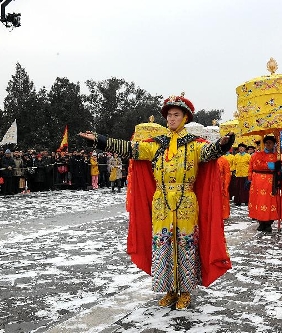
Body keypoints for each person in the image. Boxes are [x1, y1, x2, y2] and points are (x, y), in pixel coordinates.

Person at [78, 93, 233, 310]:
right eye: (169, 115)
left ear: (185, 118)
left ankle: (186, 290)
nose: (171, 119)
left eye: (176, 115)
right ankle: (170, 289)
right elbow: (130, 148)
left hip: (186, 200)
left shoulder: (196, 145)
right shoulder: (156, 145)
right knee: (163, 244)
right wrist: (100, 140)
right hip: (161, 201)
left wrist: (223, 144)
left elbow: (210, 153)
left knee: (185, 245)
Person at [247, 135, 280, 232]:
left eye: (270, 143)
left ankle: (269, 223)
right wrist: (273, 165)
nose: (268, 144)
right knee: (259, 201)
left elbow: (281, 169)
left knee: (270, 202)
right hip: (258, 181)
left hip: (271, 182)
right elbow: (256, 165)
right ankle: (261, 222)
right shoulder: (257, 155)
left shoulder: (277, 155)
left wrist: (279, 167)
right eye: (266, 143)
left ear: (274, 144)